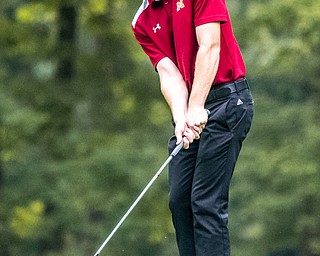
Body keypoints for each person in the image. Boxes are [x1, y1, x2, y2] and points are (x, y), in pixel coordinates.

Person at [132, 0, 254, 255]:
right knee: (180, 200)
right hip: (190, 108)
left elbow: (210, 46)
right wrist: (181, 118)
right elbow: (169, 75)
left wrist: (197, 105)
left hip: (227, 102)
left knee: (205, 202)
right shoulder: (142, 21)